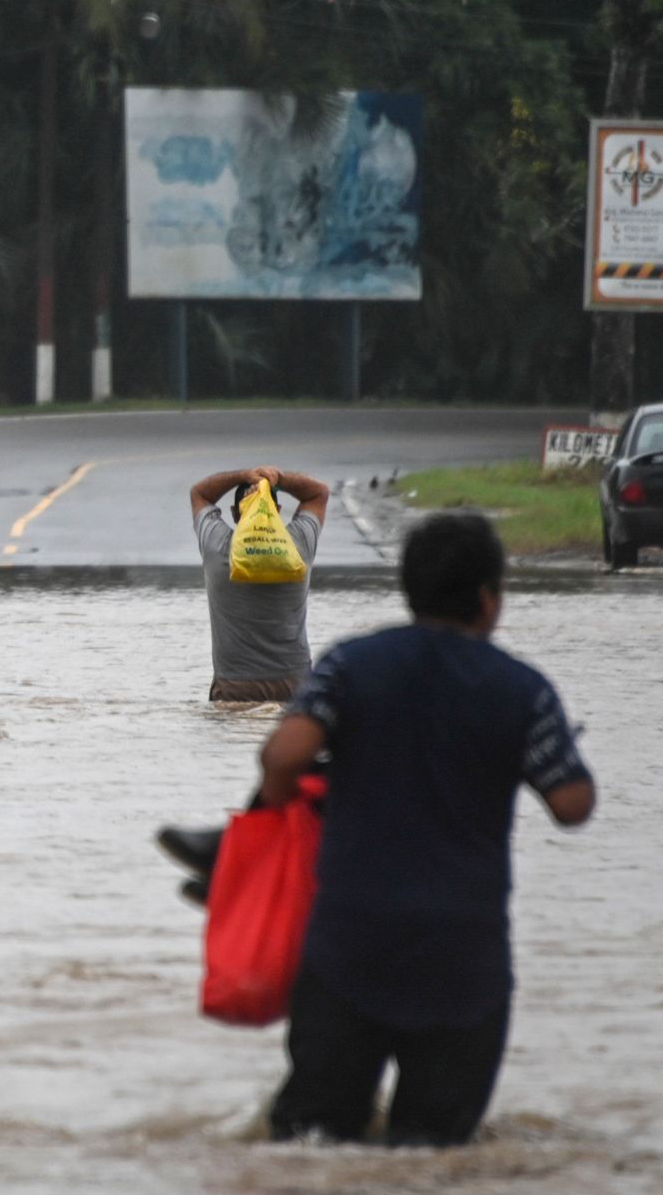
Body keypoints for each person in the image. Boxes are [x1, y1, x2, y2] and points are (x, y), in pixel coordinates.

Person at [252, 511, 597, 1148]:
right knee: (434, 1152)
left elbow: (283, 756)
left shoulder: (352, 665)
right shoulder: (523, 690)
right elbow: (571, 803)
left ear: (409, 590)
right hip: (462, 959)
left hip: (349, 945)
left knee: (311, 1141)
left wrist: (278, 818)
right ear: (490, 599)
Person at [189, 463, 330, 703]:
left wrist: (241, 475)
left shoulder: (218, 546)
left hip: (235, 685)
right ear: (277, 510)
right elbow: (319, 492)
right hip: (295, 684)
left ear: (235, 513)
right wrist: (278, 479)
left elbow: (200, 493)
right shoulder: (299, 545)